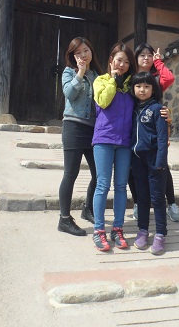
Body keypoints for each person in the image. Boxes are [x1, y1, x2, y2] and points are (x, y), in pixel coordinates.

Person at [91, 42, 136, 251]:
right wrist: (113, 81)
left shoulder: (131, 87)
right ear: (111, 61)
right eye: (119, 60)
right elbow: (103, 101)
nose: (122, 65)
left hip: (125, 142)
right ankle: (99, 230)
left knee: (120, 186)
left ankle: (117, 228)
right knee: (102, 185)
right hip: (104, 139)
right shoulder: (101, 80)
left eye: (126, 62)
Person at [129, 43, 179, 222]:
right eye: (142, 55)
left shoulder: (156, 78)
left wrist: (158, 62)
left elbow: (169, 78)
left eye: (149, 55)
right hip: (133, 128)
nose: (146, 58)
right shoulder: (131, 78)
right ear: (135, 58)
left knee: (162, 167)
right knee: (132, 170)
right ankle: (138, 203)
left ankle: (171, 203)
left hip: (154, 127)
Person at [57, 37, 103, 236]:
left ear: (91, 51)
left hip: (94, 130)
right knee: (70, 174)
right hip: (74, 127)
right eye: (78, 52)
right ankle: (64, 219)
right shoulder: (69, 72)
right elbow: (69, 94)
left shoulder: (98, 76)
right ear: (72, 56)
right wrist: (80, 72)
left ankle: (88, 209)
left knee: (98, 174)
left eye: (85, 50)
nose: (83, 55)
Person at [130, 71, 170, 255]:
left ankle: (160, 234)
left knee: (157, 198)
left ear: (153, 89)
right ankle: (143, 230)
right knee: (142, 198)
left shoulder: (157, 109)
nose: (142, 90)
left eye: (147, 86)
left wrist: (161, 161)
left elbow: (162, 138)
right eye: (138, 86)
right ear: (133, 88)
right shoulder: (132, 109)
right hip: (137, 160)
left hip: (155, 160)